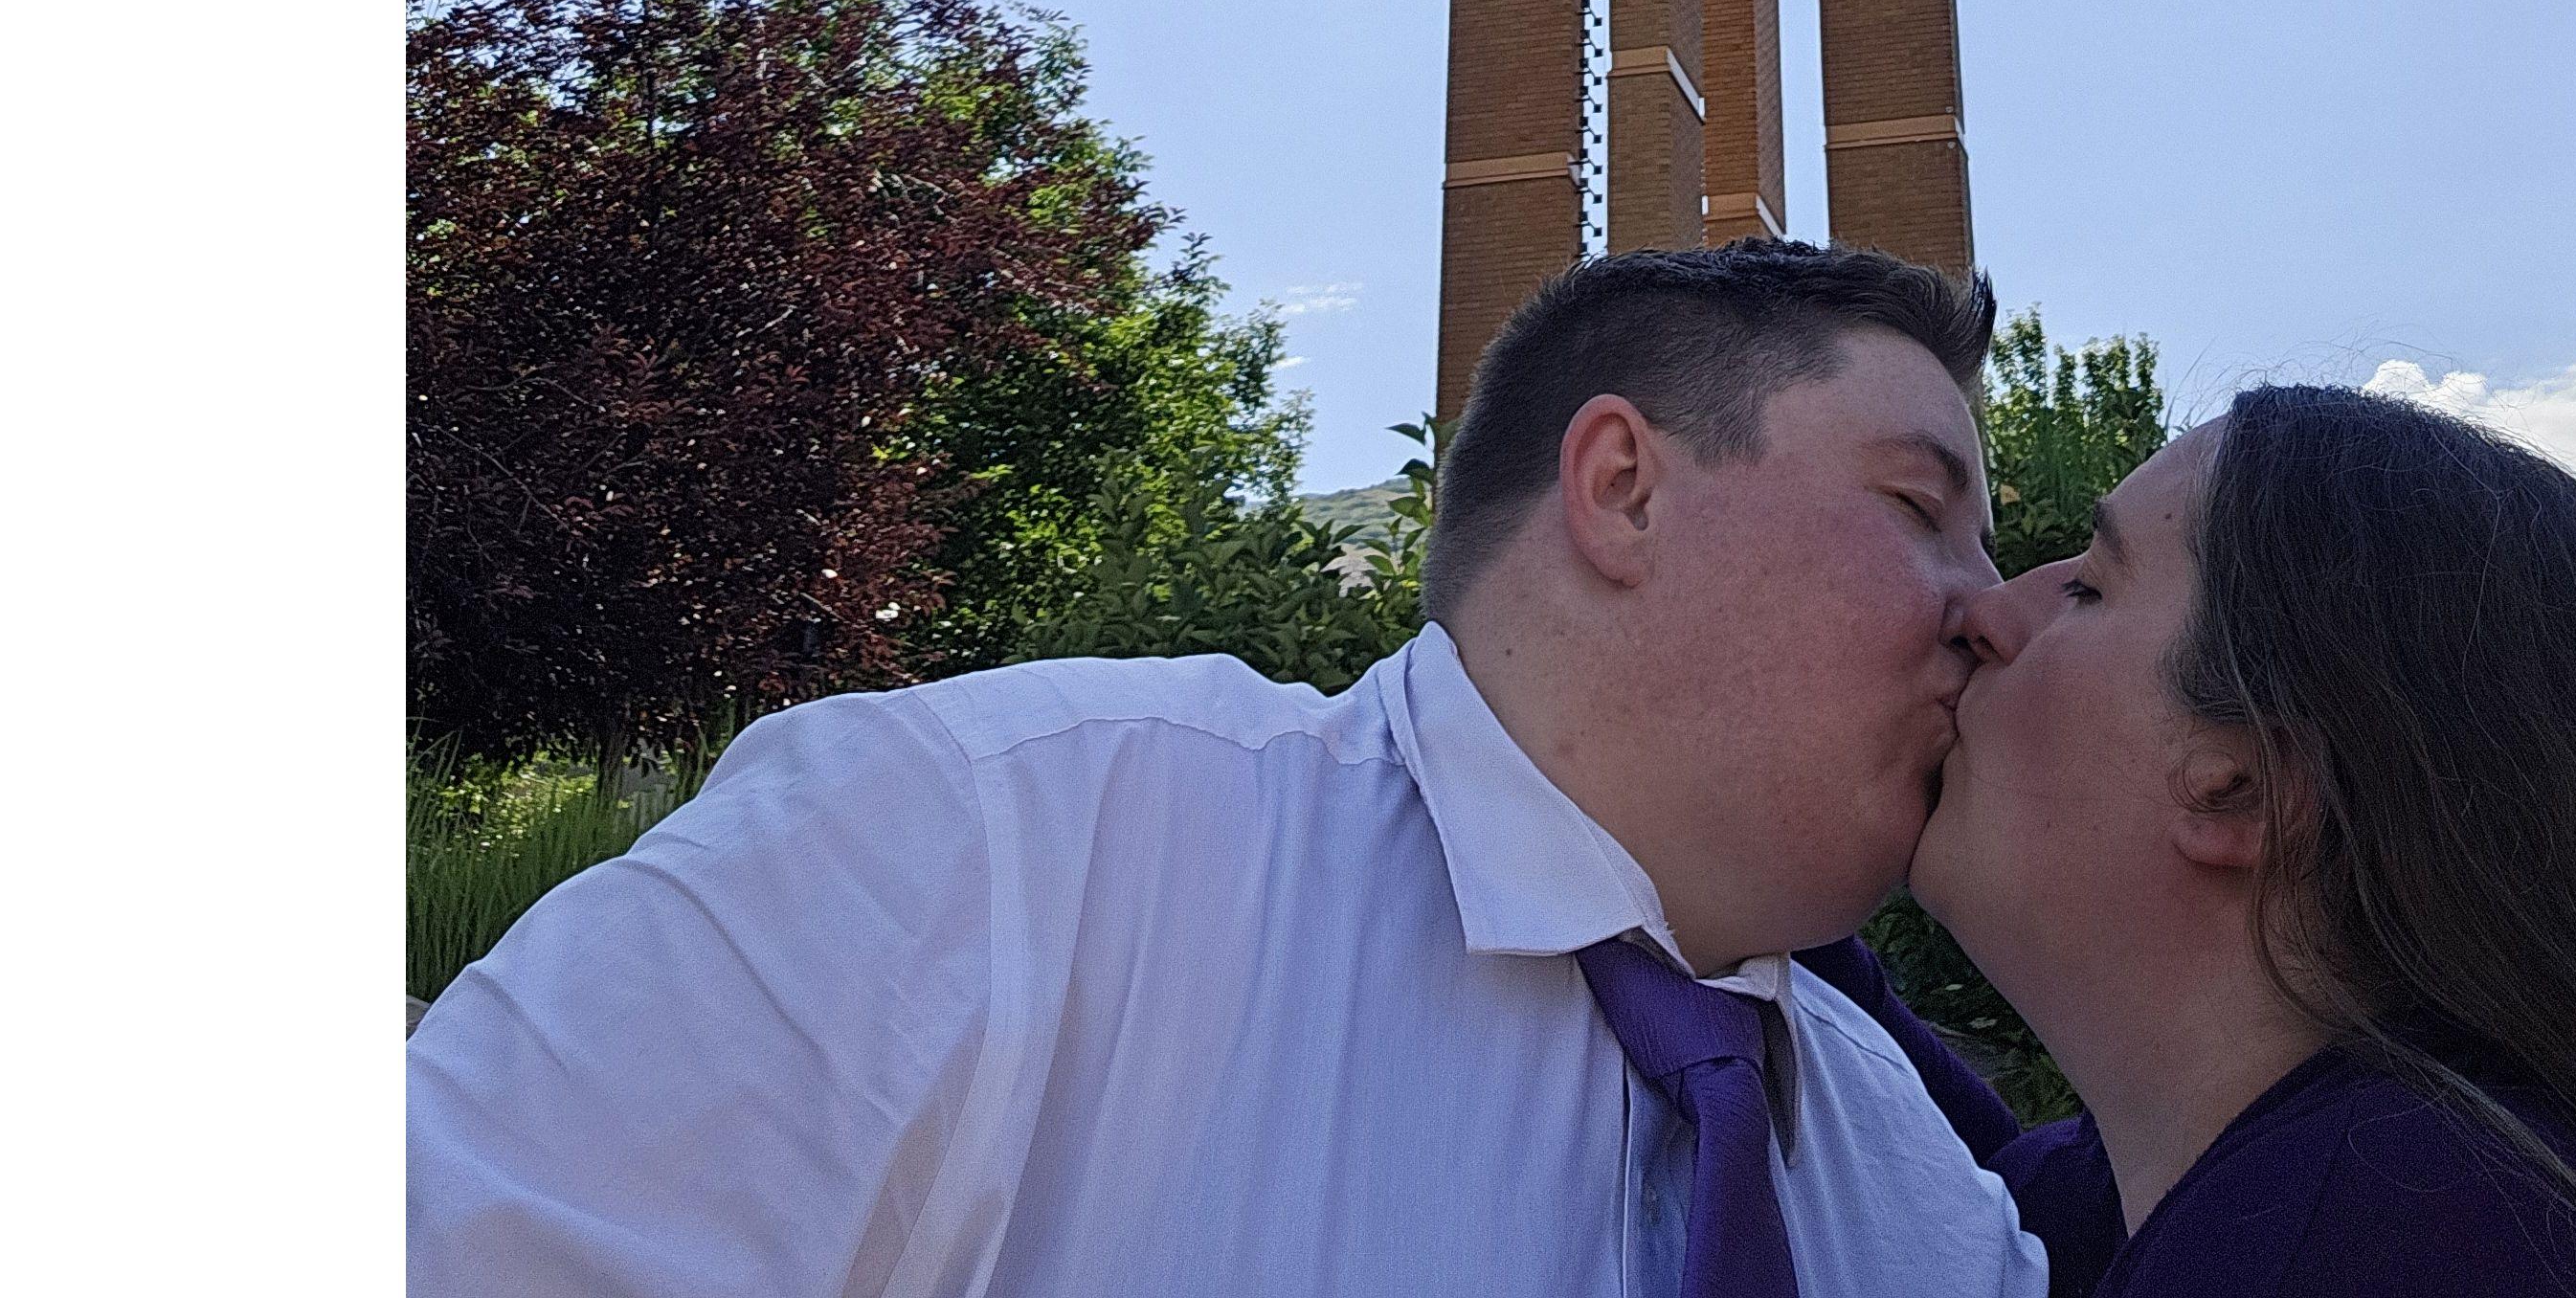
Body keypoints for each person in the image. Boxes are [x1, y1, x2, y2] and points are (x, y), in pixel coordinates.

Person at [409, 239, 2049, 1297]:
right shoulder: (987, 853)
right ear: (1620, 488)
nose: (1997, 615)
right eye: (1921, 509)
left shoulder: (1917, 1190)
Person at [1898, 387, 2576, 1298]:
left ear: (2243, 784)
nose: (1985, 612)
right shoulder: (2139, 1196)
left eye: (2089, 586)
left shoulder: (2403, 1240)